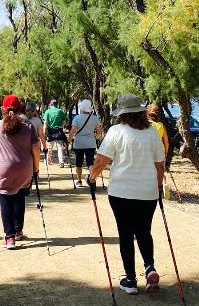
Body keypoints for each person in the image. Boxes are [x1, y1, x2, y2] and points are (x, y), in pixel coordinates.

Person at [89, 94, 165, 295]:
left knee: (125, 233)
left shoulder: (116, 131)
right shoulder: (152, 133)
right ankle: (149, 267)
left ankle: (130, 280)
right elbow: (160, 165)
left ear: (121, 113)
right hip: (148, 192)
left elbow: (101, 161)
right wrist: (158, 186)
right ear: (140, 112)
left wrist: (92, 177)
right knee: (144, 231)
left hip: (121, 192)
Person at [0, 94, 40, 249]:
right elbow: (35, 149)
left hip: (4, 170)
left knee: (6, 201)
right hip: (24, 170)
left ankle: (10, 237)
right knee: (19, 197)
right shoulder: (28, 126)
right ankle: (18, 230)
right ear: (20, 108)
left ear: (3, 109)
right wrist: (36, 167)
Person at [68, 99, 102, 188]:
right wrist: (96, 138)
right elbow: (99, 132)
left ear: (81, 108)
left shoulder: (77, 118)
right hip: (91, 143)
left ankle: (79, 181)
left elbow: (72, 131)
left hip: (79, 143)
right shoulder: (95, 118)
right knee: (90, 162)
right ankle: (92, 179)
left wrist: (69, 140)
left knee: (78, 162)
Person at [147, 104, 171, 199]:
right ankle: (163, 184)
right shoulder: (161, 125)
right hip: (159, 150)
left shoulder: (145, 125)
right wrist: (166, 152)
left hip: (148, 151)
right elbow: (166, 141)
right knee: (160, 170)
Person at [42, 99, 68, 167]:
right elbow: (64, 122)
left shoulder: (47, 112)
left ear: (51, 104)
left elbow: (45, 123)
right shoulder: (60, 111)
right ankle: (61, 161)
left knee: (49, 147)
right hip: (59, 131)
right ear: (57, 104)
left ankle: (48, 160)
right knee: (60, 147)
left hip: (50, 131)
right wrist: (61, 127)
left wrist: (44, 133)